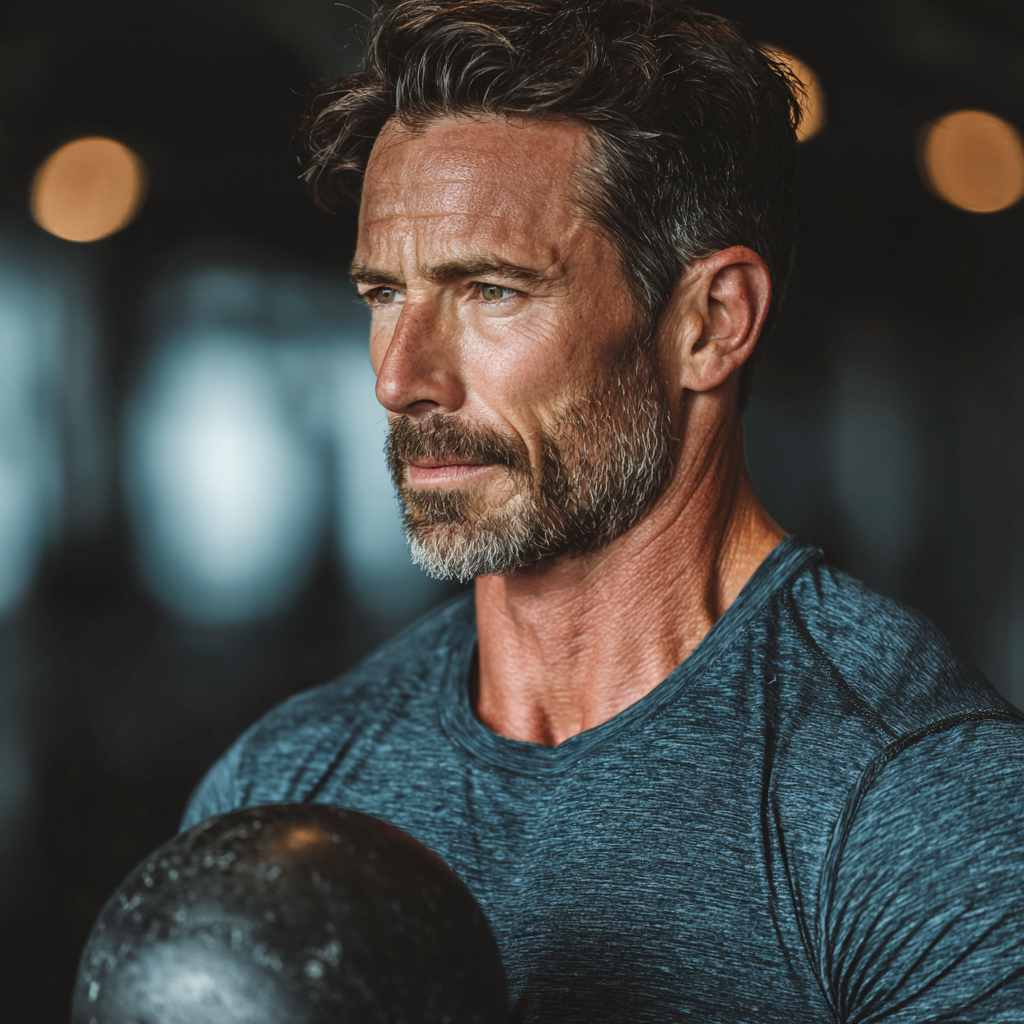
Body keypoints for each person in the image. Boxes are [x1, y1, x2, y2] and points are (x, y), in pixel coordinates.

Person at [182, 2, 1024, 1020]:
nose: (401, 379)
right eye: (383, 294)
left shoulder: (917, 800)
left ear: (709, 324)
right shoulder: (287, 785)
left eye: (490, 291)